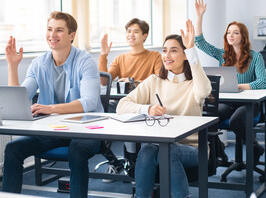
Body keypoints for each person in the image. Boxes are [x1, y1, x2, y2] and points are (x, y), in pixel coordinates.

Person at [2, 11, 104, 198]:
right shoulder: (39, 63)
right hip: (53, 129)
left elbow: (90, 102)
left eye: (59, 30)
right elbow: (20, 99)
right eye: (49, 29)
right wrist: (12, 66)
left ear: (71, 35)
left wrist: (51, 109)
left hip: (87, 128)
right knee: (12, 149)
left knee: (77, 151)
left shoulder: (85, 61)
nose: (52, 35)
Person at [116, 20, 211, 198]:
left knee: (168, 150)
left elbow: (205, 90)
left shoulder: (194, 84)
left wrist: (192, 51)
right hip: (159, 145)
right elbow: (122, 106)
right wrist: (147, 108)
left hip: (192, 148)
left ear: (185, 56)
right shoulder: (154, 81)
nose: (167, 55)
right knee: (148, 149)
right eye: (164, 50)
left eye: (173, 50)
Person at [194, 0, 266, 164]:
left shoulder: (255, 57)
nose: (231, 35)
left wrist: (238, 86)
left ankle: (254, 147)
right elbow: (199, 42)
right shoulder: (222, 55)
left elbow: (262, 82)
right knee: (207, 117)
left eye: (235, 32)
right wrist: (200, 16)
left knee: (236, 121)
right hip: (228, 102)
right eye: (228, 32)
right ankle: (219, 151)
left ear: (243, 36)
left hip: (249, 104)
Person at [98, 18, 162, 181]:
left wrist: (133, 82)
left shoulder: (155, 56)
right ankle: (117, 162)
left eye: (135, 31)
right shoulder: (120, 58)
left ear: (145, 35)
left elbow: (158, 79)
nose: (131, 35)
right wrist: (103, 55)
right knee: (99, 119)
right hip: (122, 104)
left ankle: (133, 162)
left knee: (129, 119)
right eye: (128, 31)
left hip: (145, 105)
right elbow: (104, 80)